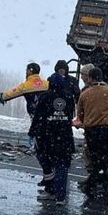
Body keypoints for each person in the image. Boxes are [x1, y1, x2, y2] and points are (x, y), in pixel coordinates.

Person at [77, 67, 108, 197]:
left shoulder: (85, 94)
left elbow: (79, 115)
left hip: (91, 131)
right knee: (105, 159)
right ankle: (101, 186)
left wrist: (87, 120)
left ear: (90, 78)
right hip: (106, 130)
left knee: (95, 159)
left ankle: (96, 185)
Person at [29, 73, 75, 205]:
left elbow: (38, 117)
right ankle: (61, 195)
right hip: (65, 136)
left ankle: (50, 189)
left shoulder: (44, 97)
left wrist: (32, 133)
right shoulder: (68, 96)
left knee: (48, 163)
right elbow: (70, 115)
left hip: (47, 137)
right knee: (62, 165)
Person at [0, 63, 49, 182]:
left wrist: (2, 96)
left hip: (35, 115)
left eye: (26, 70)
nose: (25, 72)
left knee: (38, 139)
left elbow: (13, 92)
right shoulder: (46, 83)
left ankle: (39, 151)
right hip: (47, 115)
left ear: (30, 71)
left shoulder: (26, 85)